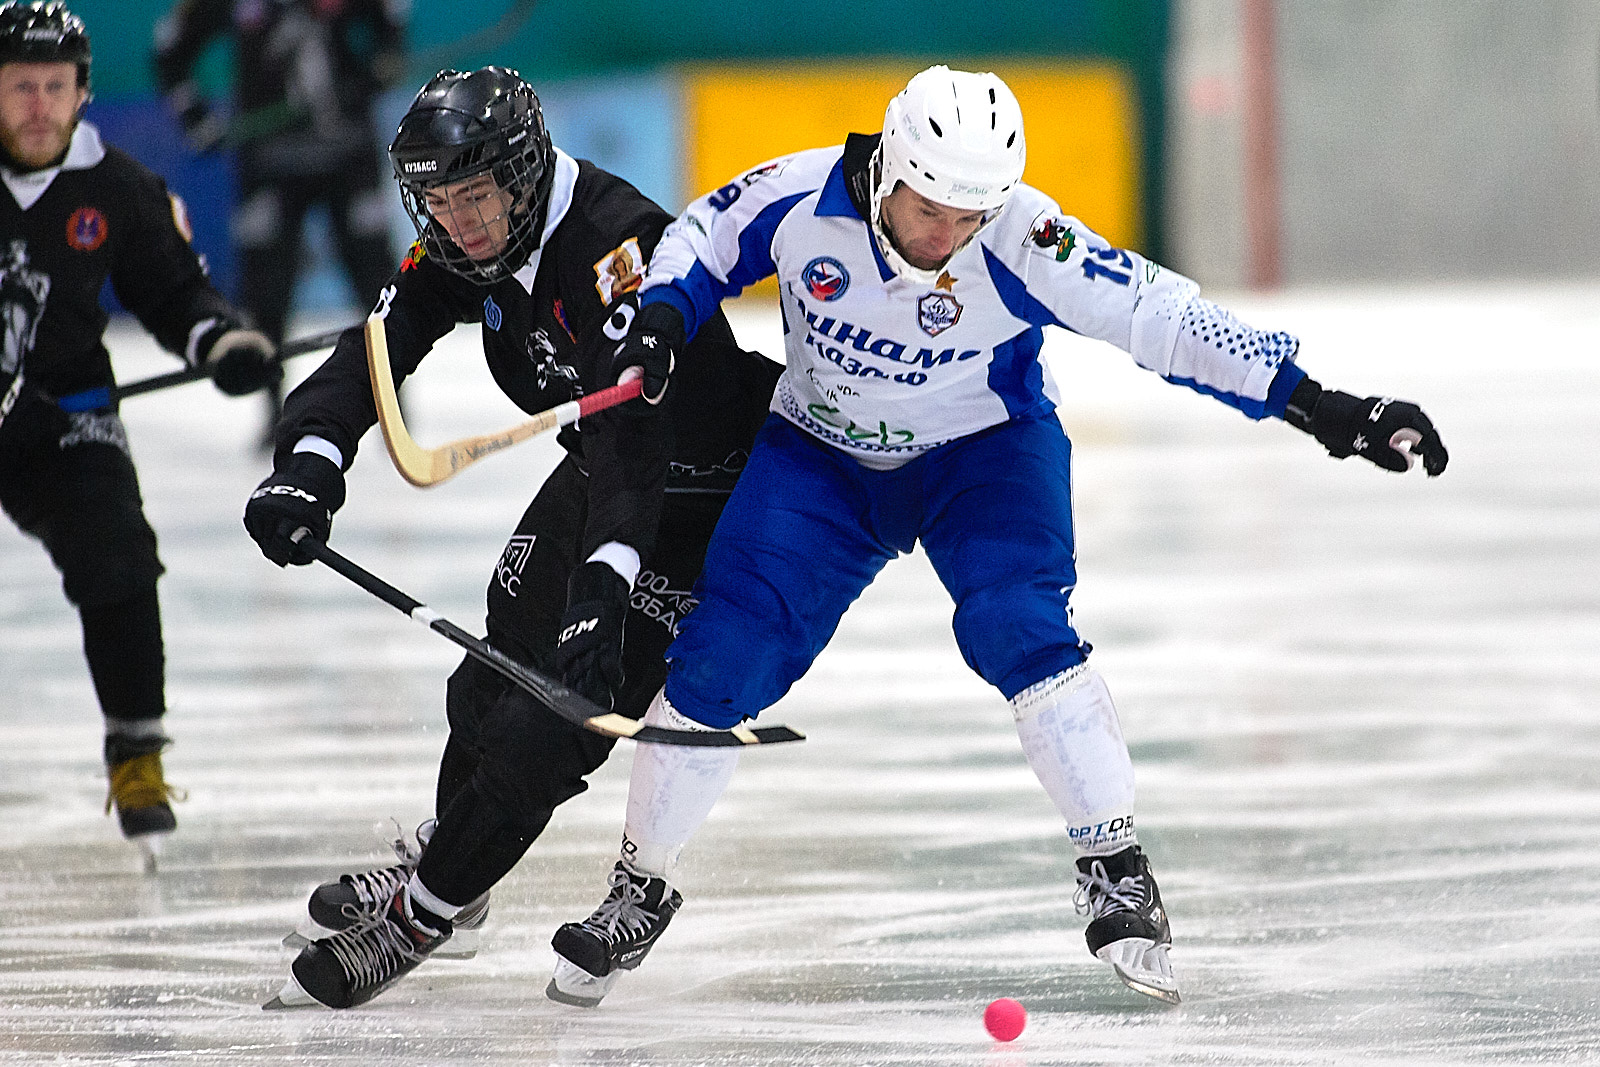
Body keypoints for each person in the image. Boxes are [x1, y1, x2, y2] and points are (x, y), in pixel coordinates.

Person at [551, 65, 1450, 1007]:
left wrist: (1325, 406)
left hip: (981, 454)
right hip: (821, 458)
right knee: (722, 657)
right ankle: (637, 883)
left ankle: (1115, 863)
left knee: (1018, 625)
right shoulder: (799, 197)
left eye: (971, 218)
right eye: (931, 209)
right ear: (888, 167)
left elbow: (1163, 317)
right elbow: (701, 236)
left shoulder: (1028, 235)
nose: (948, 240)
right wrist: (657, 319)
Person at [240, 66, 781, 1010]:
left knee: (553, 725)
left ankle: (423, 912)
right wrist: (312, 454)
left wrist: (606, 585)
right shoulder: (469, 243)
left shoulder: (618, 249)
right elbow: (381, 338)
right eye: (440, 202)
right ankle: (458, 869)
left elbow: (639, 442)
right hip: (601, 469)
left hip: (704, 504)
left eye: (477, 195)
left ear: (524, 176)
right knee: (487, 684)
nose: (461, 222)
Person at [0, 1, 275, 864]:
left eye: (55, 87)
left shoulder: (118, 187)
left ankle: (136, 756)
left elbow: (171, 293)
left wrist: (221, 342)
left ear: (83, 93)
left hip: (66, 417)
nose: (38, 105)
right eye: (19, 87)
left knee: (118, 553)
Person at [153, 0, 406, 449]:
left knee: (379, 283)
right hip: (269, 164)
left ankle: (393, 405)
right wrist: (194, 116)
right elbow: (170, 49)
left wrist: (383, 63)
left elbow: (391, 24)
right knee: (266, 292)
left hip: (348, 154)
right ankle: (273, 410)